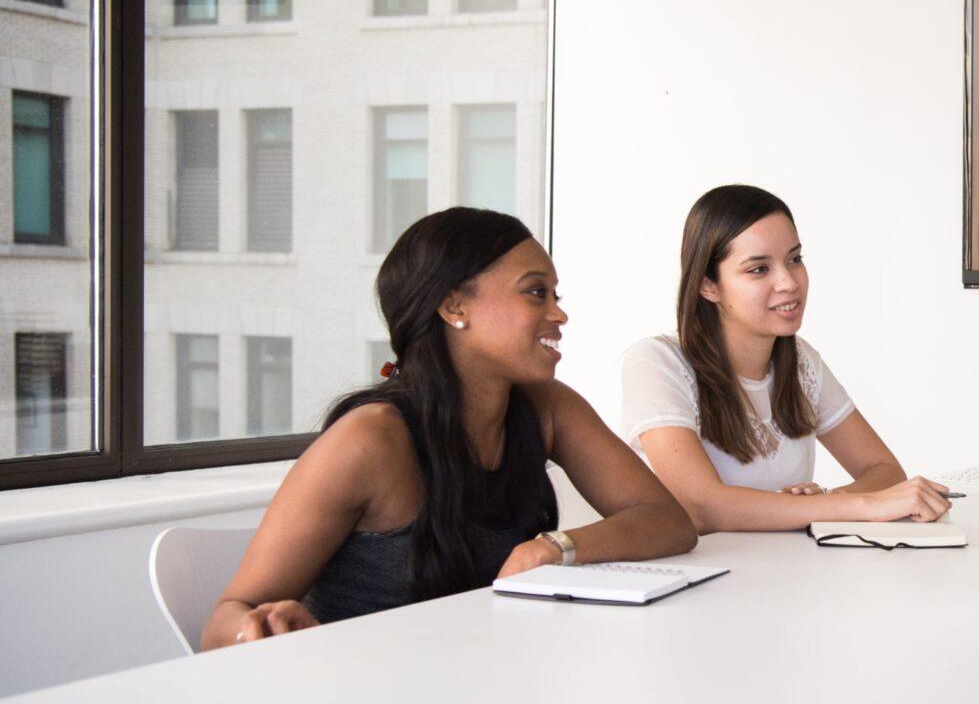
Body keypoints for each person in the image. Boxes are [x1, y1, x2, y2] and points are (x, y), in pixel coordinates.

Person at [201, 208, 696, 648]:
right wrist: (259, 628)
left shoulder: (547, 408)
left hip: (476, 687)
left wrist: (553, 547)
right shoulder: (370, 440)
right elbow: (222, 624)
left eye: (554, 294)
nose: (558, 313)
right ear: (454, 307)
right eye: (535, 292)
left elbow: (666, 521)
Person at [620, 184, 950, 532]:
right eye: (759, 269)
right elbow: (702, 506)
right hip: (699, 579)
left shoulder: (800, 361)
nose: (789, 282)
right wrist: (844, 506)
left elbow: (884, 471)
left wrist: (821, 503)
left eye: (794, 259)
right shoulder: (657, 363)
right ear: (708, 285)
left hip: (785, 574)